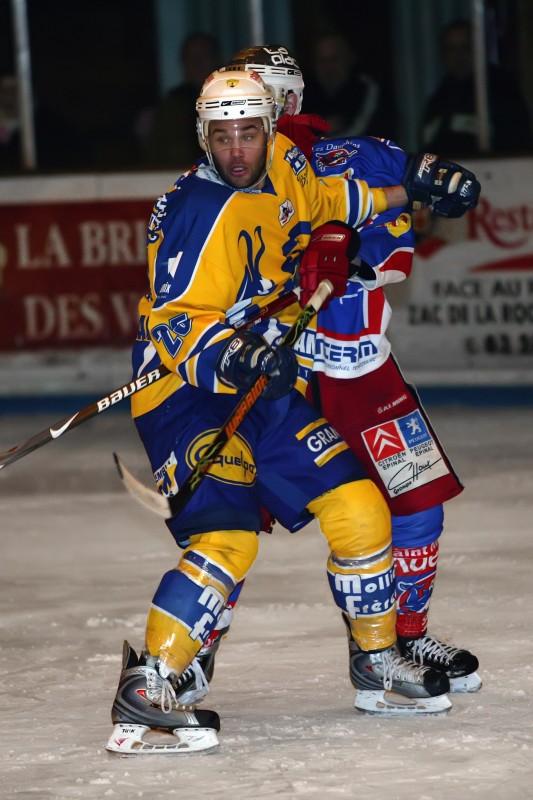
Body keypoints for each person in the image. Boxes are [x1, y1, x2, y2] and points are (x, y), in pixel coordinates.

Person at [106, 68, 466, 755]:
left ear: (270, 129)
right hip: (186, 392)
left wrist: (410, 190)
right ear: (203, 137)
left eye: (249, 133)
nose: (237, 150)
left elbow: (333, 198)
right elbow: (175, 322)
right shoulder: (194, 212)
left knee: (359, 507)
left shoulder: (286, 168)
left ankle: (375, 660)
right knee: (227, 538)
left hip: (258, 382)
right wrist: (234, 354)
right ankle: (148, 688)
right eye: (222, 136)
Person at [199, 45, 481, 695]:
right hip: (278, 375)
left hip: (362, 369)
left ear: (288, 99)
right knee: (228, 519)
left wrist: (422, 190)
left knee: (416, 507)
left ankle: (399, 639)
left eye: (259, 96)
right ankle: (189, 653)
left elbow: (401, 228)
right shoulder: (217, 184)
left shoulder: (354, 157)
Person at [421, 18, 531, 155]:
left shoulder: (500, 91)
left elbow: (517, 145)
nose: (458, 56)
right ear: (442, 54)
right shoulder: (438, 102)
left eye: (465, 47)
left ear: (479, 50)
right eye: (451, 49)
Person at [142, 32, 221, 168]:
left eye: (203, 56)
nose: (197, 63)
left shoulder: (232, 99)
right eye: (191, 58)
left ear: (216, 60)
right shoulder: (172, 104)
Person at [301, 32, 395, 139]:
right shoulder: (305, 94)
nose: (328, 67)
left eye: (334, 59)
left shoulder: (367, 89)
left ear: (349, 59)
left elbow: (368, 133)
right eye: (322, 61)